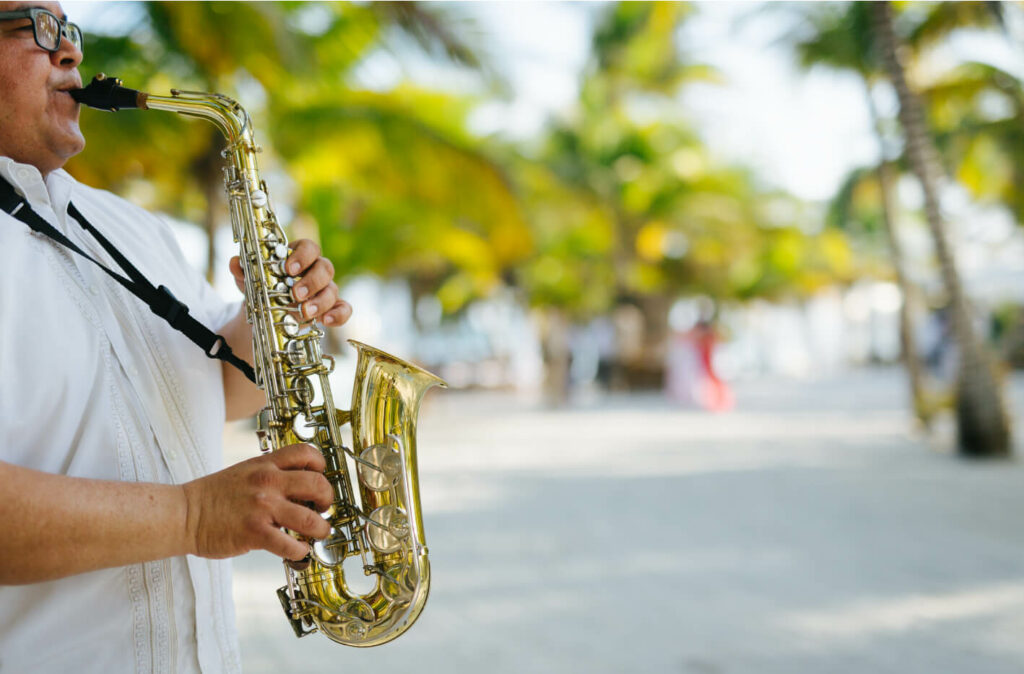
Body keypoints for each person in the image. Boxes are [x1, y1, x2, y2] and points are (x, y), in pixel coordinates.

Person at [0, 3, 351, 671]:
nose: (71, 54)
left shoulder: (131, 226)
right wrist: (191, 517)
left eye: (68, 32)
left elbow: (219, 384)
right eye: (37, 29)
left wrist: (274, 315)